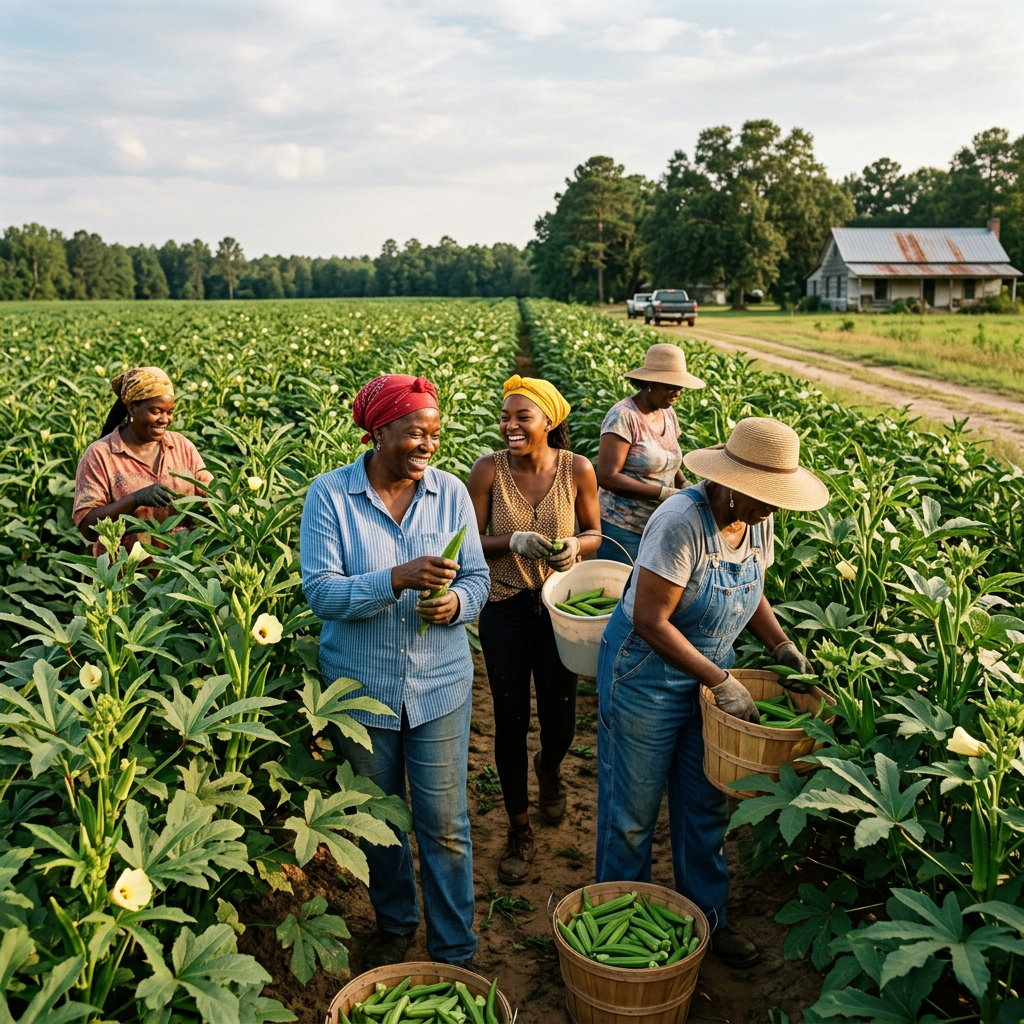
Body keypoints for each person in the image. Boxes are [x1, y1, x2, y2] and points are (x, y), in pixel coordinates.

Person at [595, 417, 829, 968]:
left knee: (706, 804)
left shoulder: (757, 518)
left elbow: (754, 591)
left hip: (708, 680)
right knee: (632, 811)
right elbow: (652, 619)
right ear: (729, 483)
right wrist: (721, 680)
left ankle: (708, 918)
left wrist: (781, 648)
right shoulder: (680, 520)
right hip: (644, 676)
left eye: (776, 498)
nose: (771, 509)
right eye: (763, 497)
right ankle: (618, 927)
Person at [300, 374, 490, 971]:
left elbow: (478, 578)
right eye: (415, 433)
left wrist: (457, 604)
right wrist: (396, 580)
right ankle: (395, 921)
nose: (428, 444)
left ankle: (454, 945)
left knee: (445, 825)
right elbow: (322, 594)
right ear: (380, 432)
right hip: (362, 689)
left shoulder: (451, 493)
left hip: (439, 685)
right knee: (380, 820)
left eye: (435, 433)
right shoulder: (330, 496)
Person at [467, 375, 601, 885]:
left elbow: (595, 531)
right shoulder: (487, 470)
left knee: (561, 720)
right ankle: (519, 827)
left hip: (559, 609)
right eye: (505, 417)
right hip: (505, 607)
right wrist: (510, 541)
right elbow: (472, 541)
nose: (510, 426)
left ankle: (549, 768)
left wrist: (576, 546)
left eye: (522, 417)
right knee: (509, 719)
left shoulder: (577, 469)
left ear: (550, 421)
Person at [73, 366, 211, 556]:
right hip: (125, 576)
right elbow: (87, 527)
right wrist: (135, 499)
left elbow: (211, 497)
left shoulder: (182, 447)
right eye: (156, 411)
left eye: (169, 412)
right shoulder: (100, 455)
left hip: (182, 572)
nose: (164, 419)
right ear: (132, 408)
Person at [595, 343, 705, 564]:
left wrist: (685, 486)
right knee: (621, 590)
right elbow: (607, 477)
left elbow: (669, 461)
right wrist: (663, 494)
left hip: (659, 522)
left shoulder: (668, 413)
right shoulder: (623, 416)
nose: (677, 392)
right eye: (671, 386)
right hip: (622, 525)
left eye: (680, 387)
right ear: (650, 382)